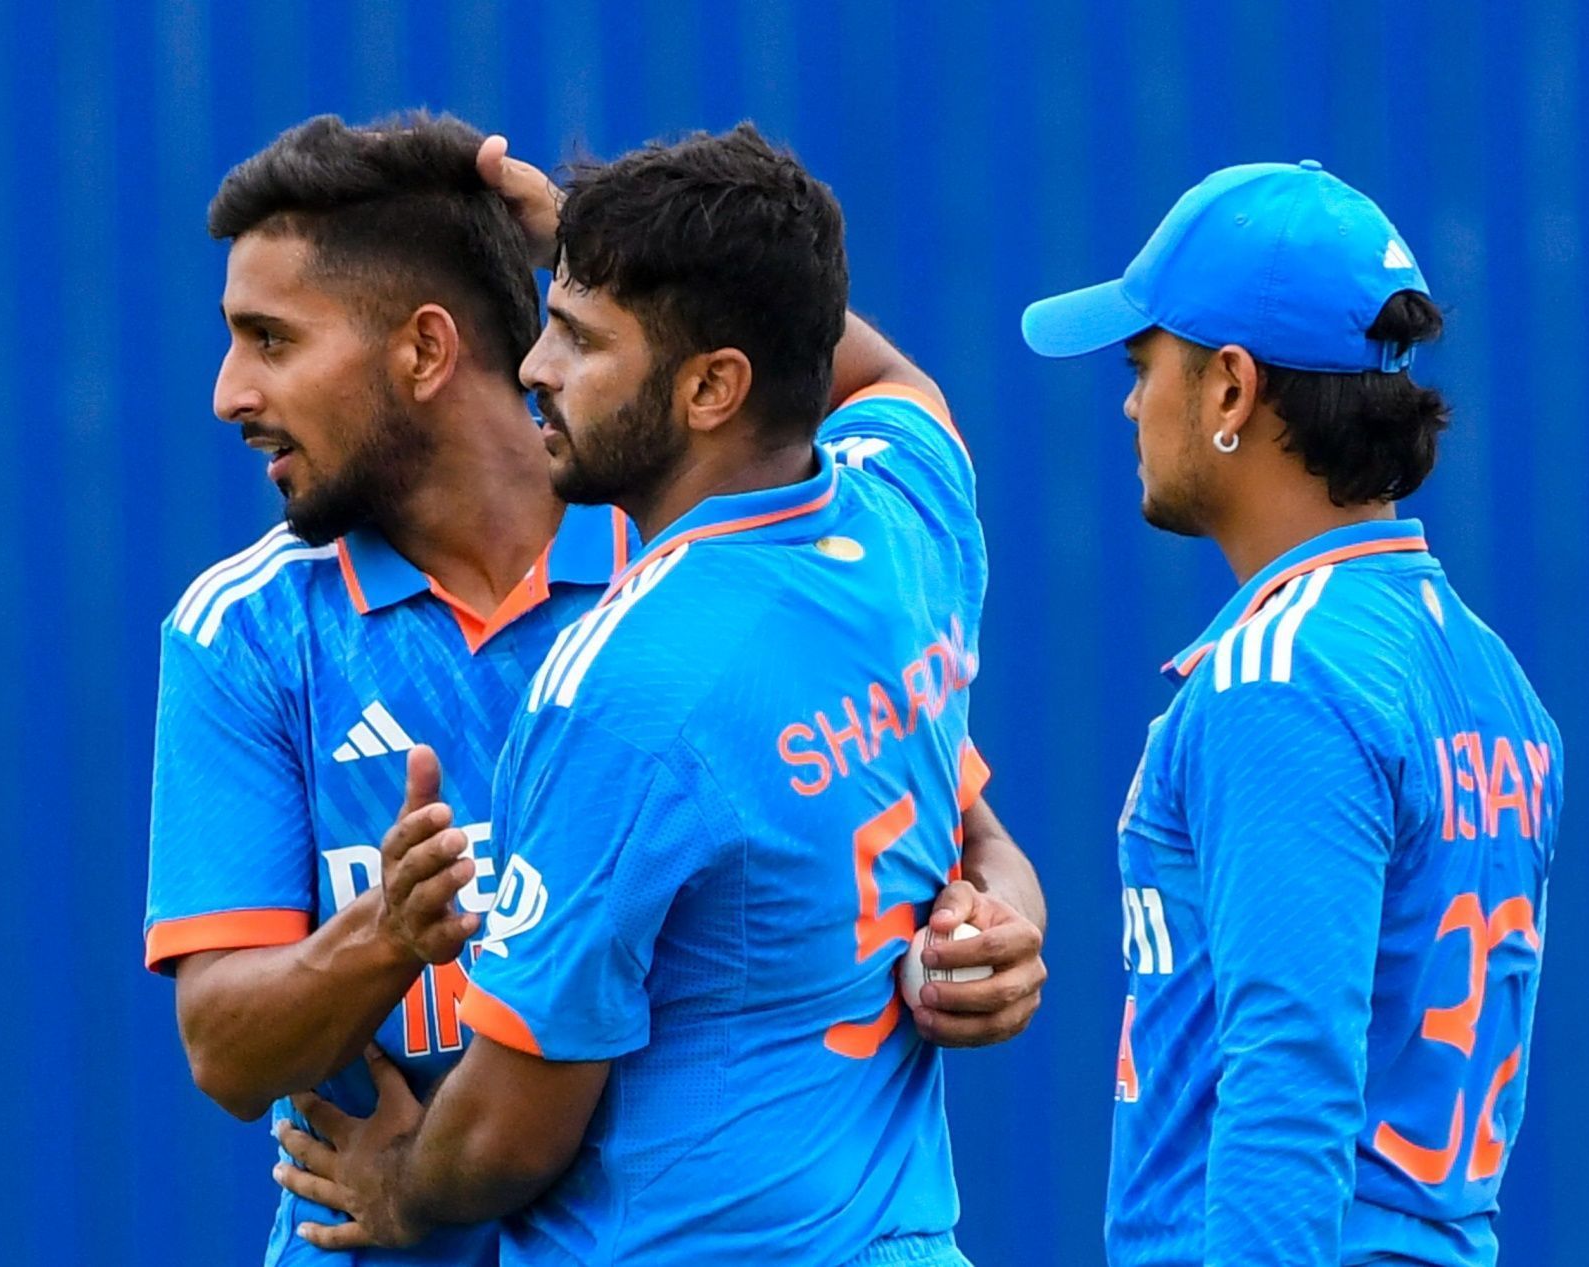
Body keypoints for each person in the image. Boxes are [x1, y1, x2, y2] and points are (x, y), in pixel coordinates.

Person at [145, 113, 1045, 1267]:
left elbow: (952, 825)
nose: (229, 391)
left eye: (270, 340)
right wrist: (384, 935)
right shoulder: (245, 633)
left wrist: (999, 922)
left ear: (423, 351)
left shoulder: (686, 577)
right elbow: (224, 1050)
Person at [1020, 161, 1563, 1265]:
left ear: (1229, 388)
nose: (1129, 401)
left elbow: (1288, 1081)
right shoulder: (1493, 677)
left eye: (1141, 364)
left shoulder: (1279, 677)